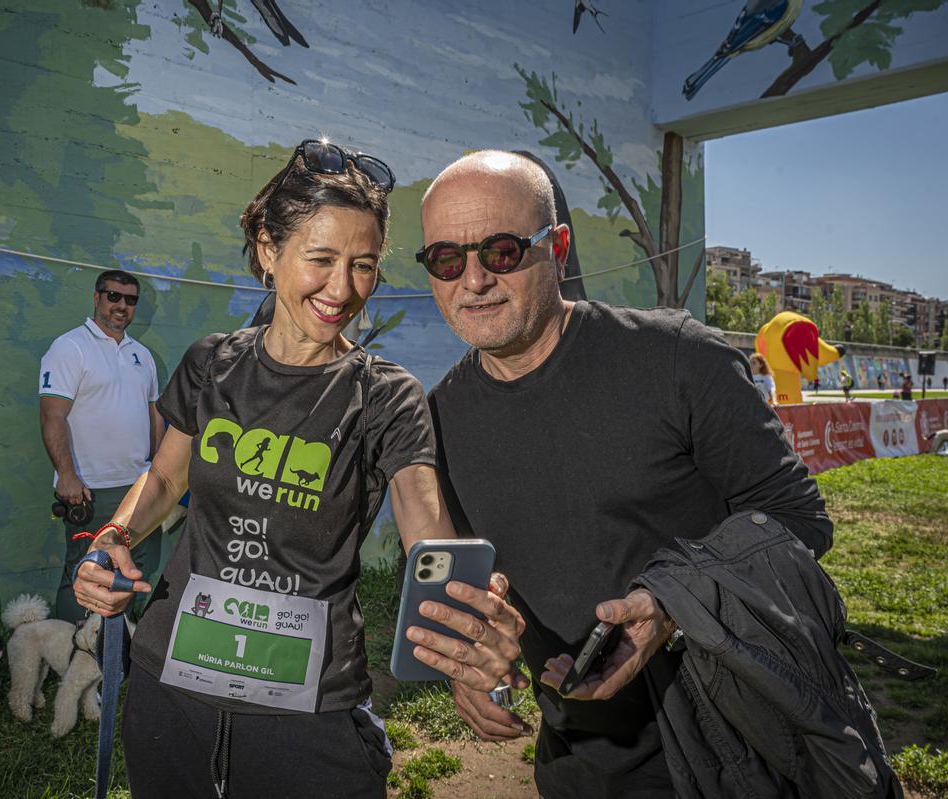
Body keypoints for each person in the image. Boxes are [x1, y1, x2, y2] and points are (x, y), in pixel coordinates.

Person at [72, 140, 524, 798]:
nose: (343, 290)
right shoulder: (211, 363)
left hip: (308, 710)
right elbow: (167, 479)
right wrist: (111, 539)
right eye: (321, 259)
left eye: (364, 266)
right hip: (172, 687)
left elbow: (427, 524)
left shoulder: (385, 394)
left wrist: (468, 644)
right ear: (267, 247)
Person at [418, 151, 832, 798]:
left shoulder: (679, 358)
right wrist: (471, 668)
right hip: (583, 767)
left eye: (500, 251)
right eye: (446, 259)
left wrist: (673, 603)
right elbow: (477, 585)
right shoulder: (436, 423)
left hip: (746, 751)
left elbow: (800, 521)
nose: (472, 280)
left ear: (556, 247)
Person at [39, 270, 171, 623]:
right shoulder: (69, 348)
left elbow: (154, 415)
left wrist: (158, 473)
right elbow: (53, 416)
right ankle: (71, 658)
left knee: (137, 572)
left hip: (139, 487)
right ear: (97, 297)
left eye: (130, 300)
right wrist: (67, 476)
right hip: (90, 489)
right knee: (84, 575)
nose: (121, 306)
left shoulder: (142, 355)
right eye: (113, 296)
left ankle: (116, 659)